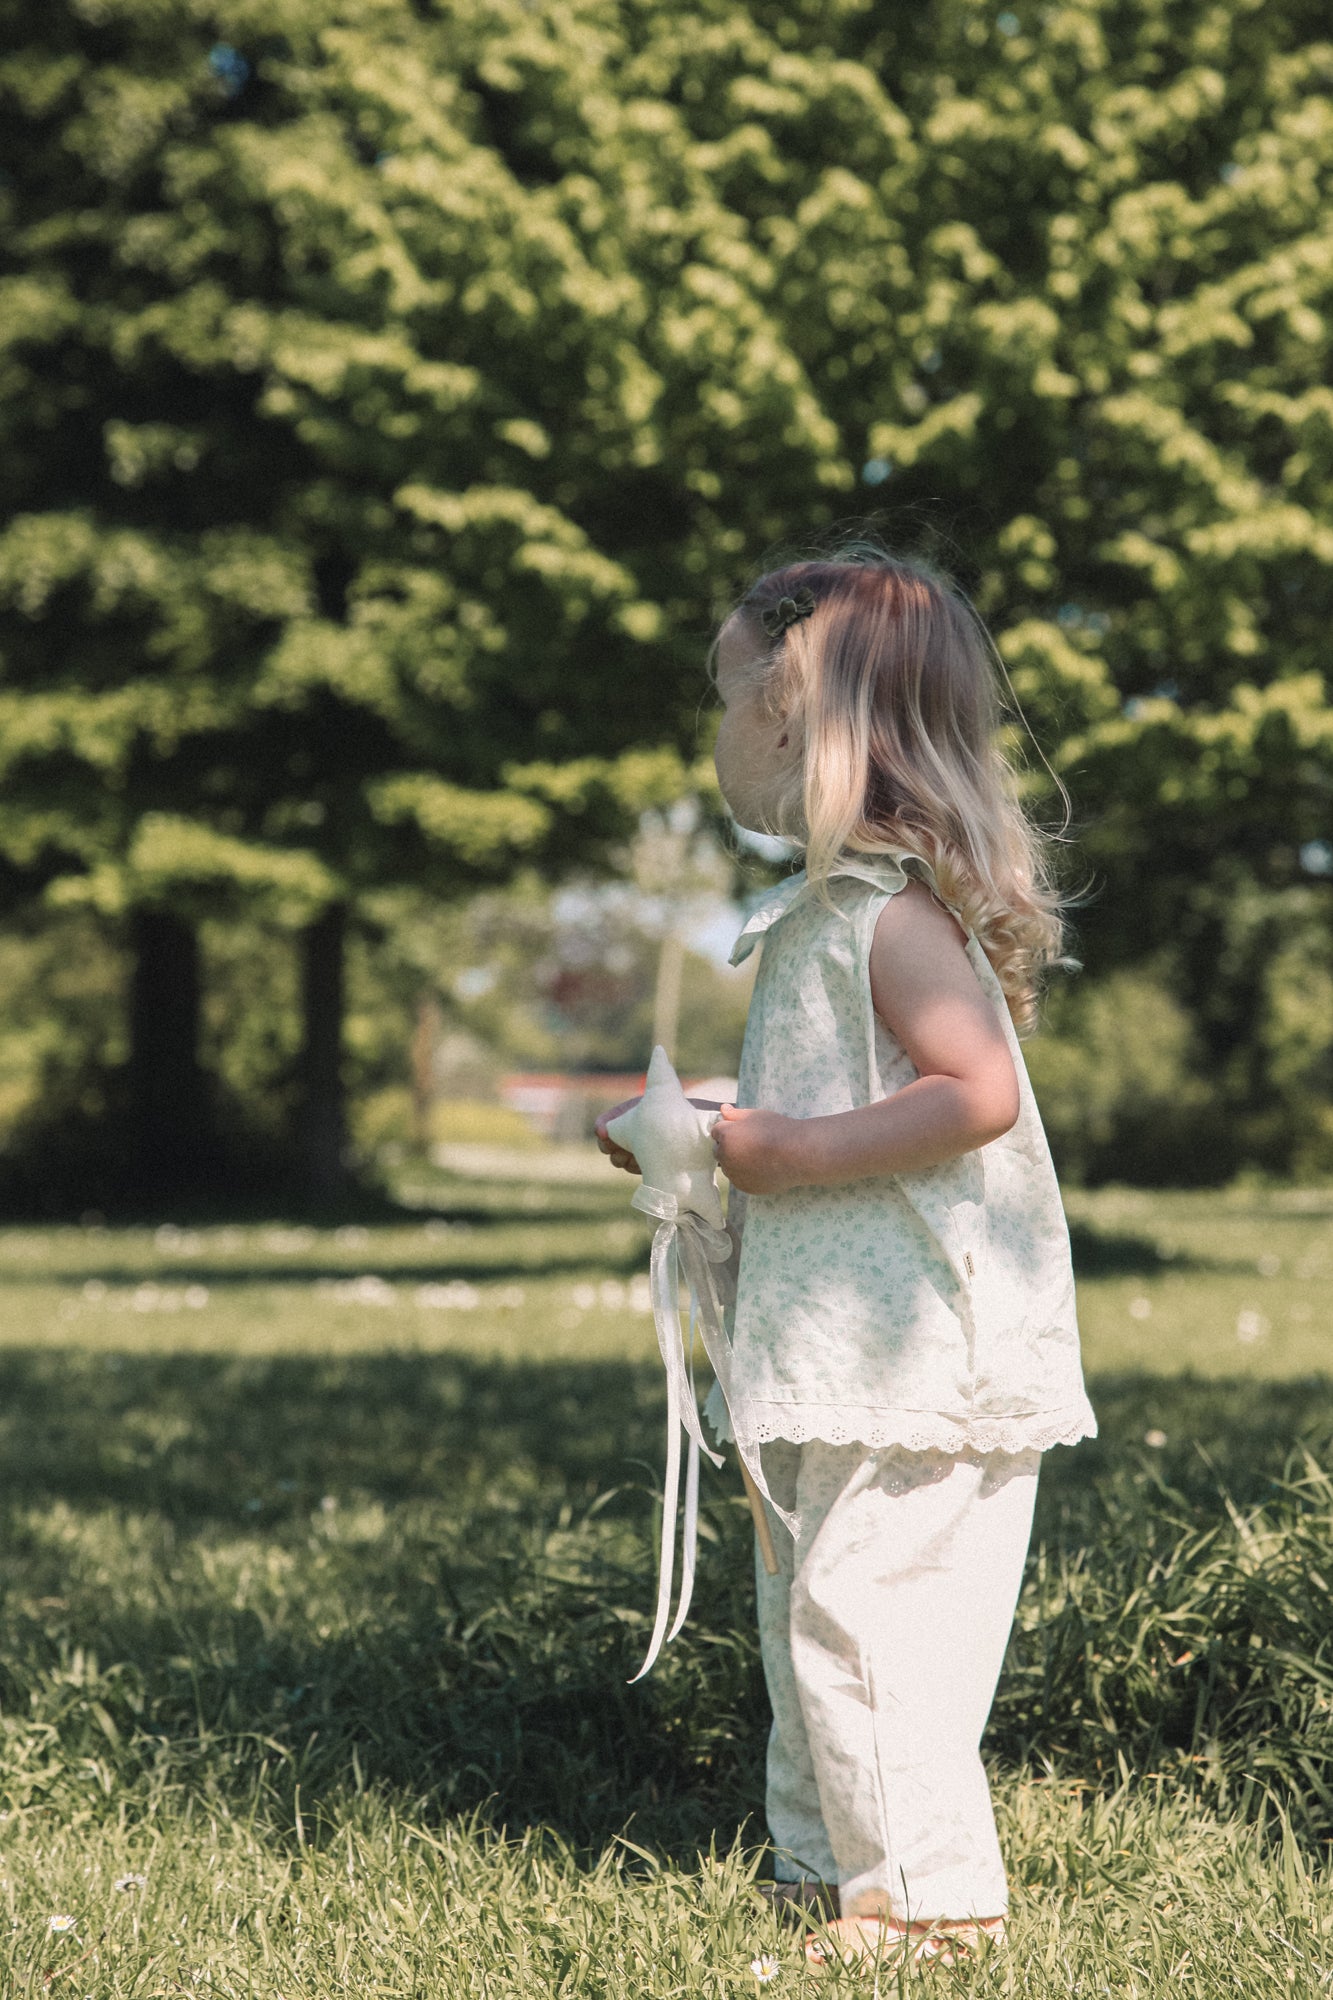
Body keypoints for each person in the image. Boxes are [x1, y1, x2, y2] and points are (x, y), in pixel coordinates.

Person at [596, 548, 1096, 1972]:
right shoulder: (818, 918)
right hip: (831, 1346)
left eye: (727, 693)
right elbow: (829, 1103)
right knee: (807, 1614)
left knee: (868, 1621)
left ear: (790, 716)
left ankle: (927, 1906)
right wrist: (698, 1128)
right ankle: (826, 1878)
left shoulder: (888, 916)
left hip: (924, 1348)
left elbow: (974, 1092)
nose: (714, 728)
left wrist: (782, 1154)